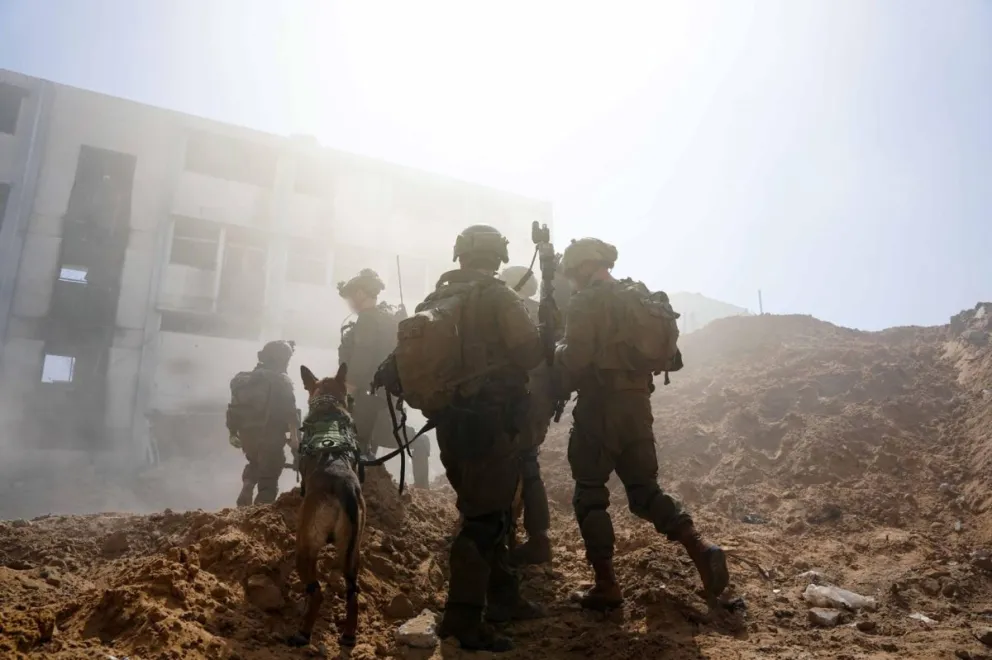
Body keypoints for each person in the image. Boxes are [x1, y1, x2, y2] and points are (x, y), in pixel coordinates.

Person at [554, 238, 729, 611]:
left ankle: (606, 585)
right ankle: (700, 546)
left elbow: (576, 358)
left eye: (571, 273)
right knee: (644, 491)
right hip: (638, 406)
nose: (570, 281)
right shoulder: (640, 296)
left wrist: (558, 349)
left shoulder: (585, 300)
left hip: (600, 406)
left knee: (590, 492)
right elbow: (673, 358)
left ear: (581, 268)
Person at [428, 226, 546, 652]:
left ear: (459, 255)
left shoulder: (437, 298)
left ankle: (503, 594)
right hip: (492, 424)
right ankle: (462, 620)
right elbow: (531, 352)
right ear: (497, 257)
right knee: (485, 519)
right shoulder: (498, 297)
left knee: (484, 509)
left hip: (450, 426)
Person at [338, 269, 431, 488]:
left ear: (361, 293)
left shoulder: (368, 320)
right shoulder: (389, 319)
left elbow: (362, 358)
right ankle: (418, 489)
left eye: (352, 295)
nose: (350, 301)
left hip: (367, 397)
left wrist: (346, 394)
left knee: (359, 446)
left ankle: (362, 497)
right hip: (389, 395)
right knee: (397, 440)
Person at [497, 265, 554, 566]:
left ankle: (508, 535)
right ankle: (538, 537)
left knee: (507, 466)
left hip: (515, 402)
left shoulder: (510, 312)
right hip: (538, 404)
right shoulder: (543, 315)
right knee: (529, 464)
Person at [226, 340, 300, 507]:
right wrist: (295, 443)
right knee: (270, 476)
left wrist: (232, 433)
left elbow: (233, 409)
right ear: (281, 359)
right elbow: (291, 414)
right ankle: (260, 512)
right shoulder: (282, 381)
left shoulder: (243, 380)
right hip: (270, 438)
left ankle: (248, 484)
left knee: (254, 462)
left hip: (247, 437)